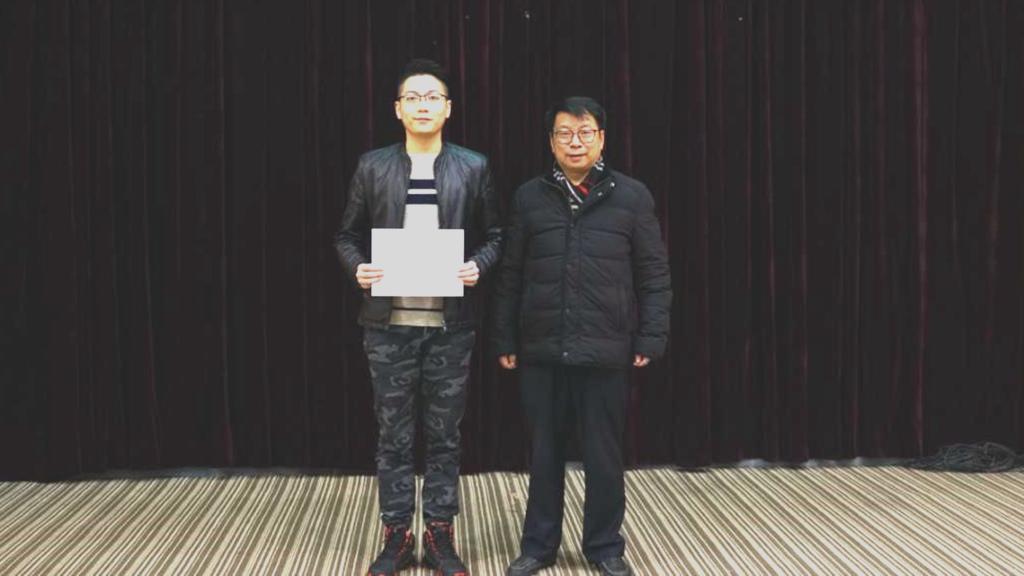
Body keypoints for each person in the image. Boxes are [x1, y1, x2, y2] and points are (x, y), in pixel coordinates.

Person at [334, 58, 502, 576]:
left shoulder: (472, 167)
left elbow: (497, 236)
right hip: (387, 326)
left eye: (432, 98)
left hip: (451, 326)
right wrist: (358, 267)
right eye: (413, 97)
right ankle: (397, 535)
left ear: (448, 109)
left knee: (445, 435)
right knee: (394, 435)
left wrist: (478, 265)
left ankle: (440, 534)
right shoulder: (373, 166)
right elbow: (346, 236)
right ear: (398, 109)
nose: (422, 105)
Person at [492, 97, 672, 576]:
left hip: (606, 348)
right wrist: (505, 338)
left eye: (585, 132)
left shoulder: (632, 196)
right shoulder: (529, 197)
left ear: (601, 139)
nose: (575, 142)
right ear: (551, 142)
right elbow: (511, 274)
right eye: (564, 133)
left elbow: (654, 274)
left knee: (604, 457)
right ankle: (538, 547)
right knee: (543, 455)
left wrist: (650, 336)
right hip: (541, 348)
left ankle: (605, 547)